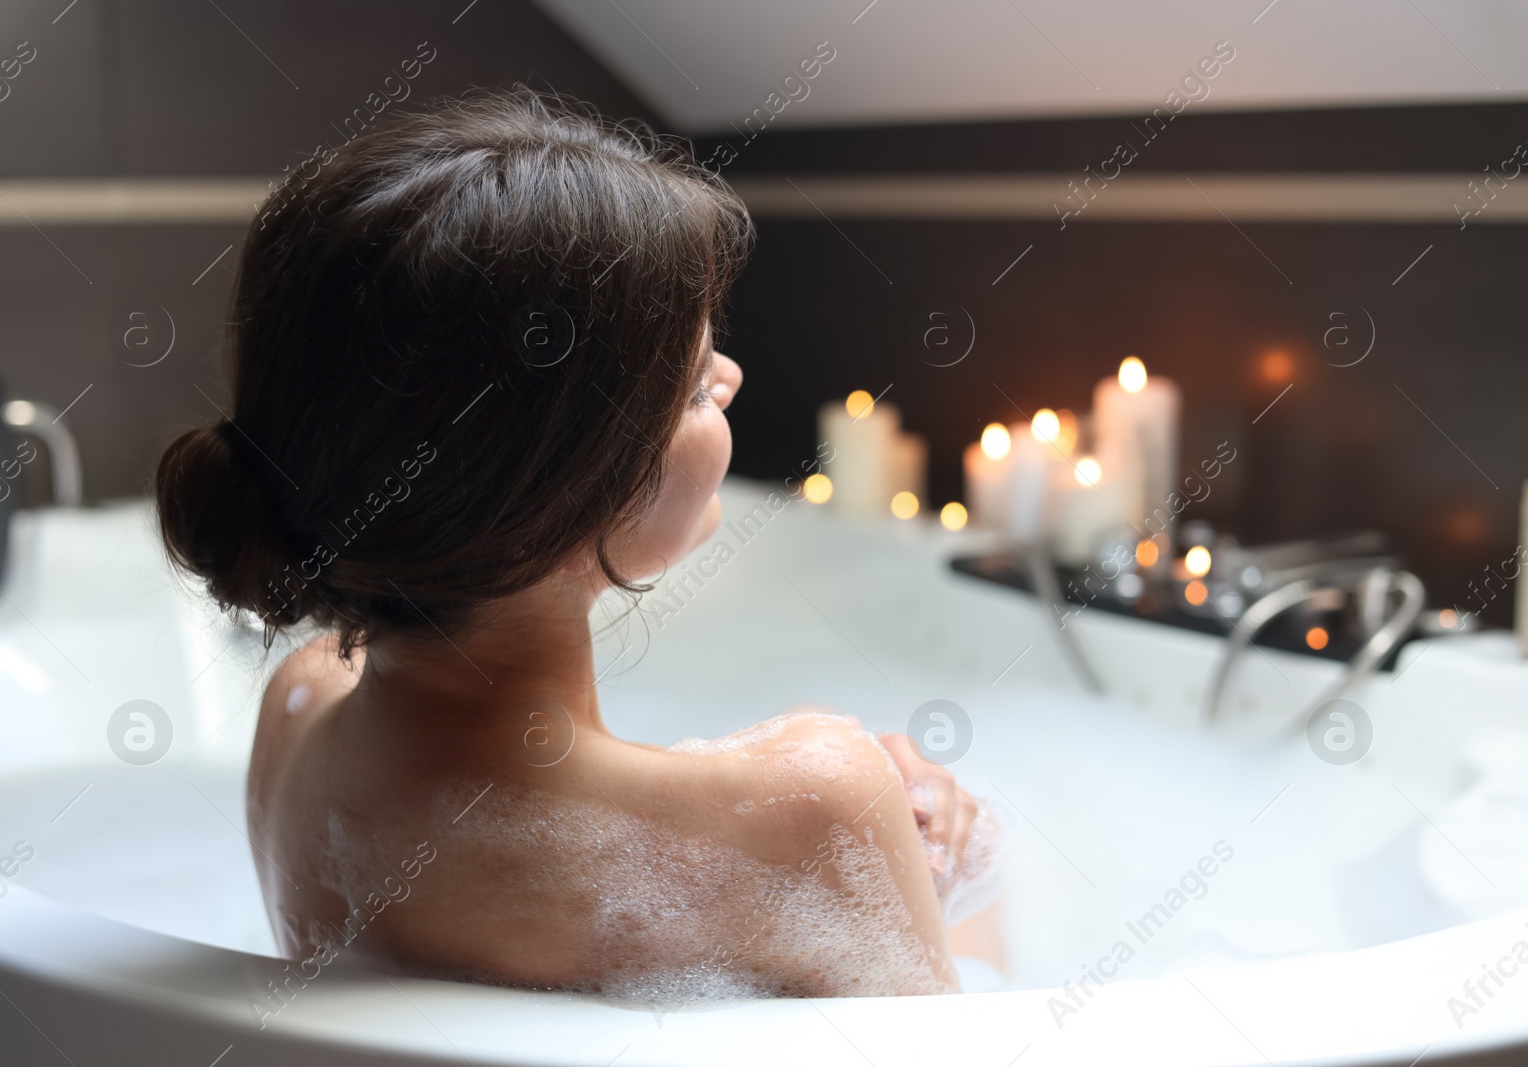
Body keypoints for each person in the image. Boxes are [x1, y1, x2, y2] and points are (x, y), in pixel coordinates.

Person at [156, 87, 1002, 1000]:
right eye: (687, 390)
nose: (732, 375)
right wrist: (926, 850)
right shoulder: (813, 806)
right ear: (556, 510)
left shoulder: (299, 707)